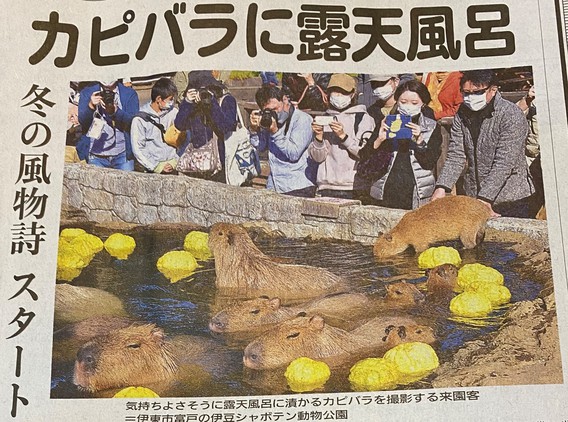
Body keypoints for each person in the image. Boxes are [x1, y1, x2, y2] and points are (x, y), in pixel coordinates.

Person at [432, 69, 535, 218]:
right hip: (474, 193)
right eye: (466, 93)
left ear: (493, 90)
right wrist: (442, 187)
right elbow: (456, 155)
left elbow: (505, 163)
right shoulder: (462, 113)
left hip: (510, 196)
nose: (470, 97)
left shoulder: (510, 115)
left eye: (476, 92)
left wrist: (485, 198)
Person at [361, 79, 442, 209]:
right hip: (385, 188)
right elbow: (364, 155)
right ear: (397, 101)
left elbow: (429, 162)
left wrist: (420, 140)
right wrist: (379, 139)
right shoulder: (386, 122)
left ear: (423, 104)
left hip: (415, 191)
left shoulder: (431, 126)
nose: (408, 106)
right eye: (403, 102)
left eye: (414, 102)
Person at [309, 74, 375, 199]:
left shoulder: (363, 118)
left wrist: (343, 136)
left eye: (343, 92)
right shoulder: (324, 117)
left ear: (352, 94)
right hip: (326, 185)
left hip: (353, 186)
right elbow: (317, 158)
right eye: (335, 92)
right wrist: (318, 137)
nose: (338, 96)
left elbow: (364, 153)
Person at [249, 85, 318, 197]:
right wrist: (254, 130)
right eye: (268, 111)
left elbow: (293, 154)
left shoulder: (302, 120)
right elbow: (260, 147)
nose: (274, 114)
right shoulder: (270, 119)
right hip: (275, 185)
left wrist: (275, 132)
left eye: (275, 109)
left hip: (298, 187)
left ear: (285, 100)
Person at [173, 70, 238, 182]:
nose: (202, 93)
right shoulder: (193, 104)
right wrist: (187, 102)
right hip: (198, 164)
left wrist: (211, 103)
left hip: (223, 163)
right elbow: (179, 125)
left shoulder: (226, 100)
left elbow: (226, 127)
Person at [77, 78, 139, 170]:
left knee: (126, 184)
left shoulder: (129, 94)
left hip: (122, 154)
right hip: (96, 155)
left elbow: (133, 122)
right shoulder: (87, 92)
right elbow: (83, 121)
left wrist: (116, 112)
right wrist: (91, 106)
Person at [130, 78, 180, 174]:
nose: (172, 102)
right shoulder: (139, 119)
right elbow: (138, 148)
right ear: (158, 99)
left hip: (173, 166)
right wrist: (156, 166)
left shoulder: (174, 113)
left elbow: (183, 138)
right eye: (170, 99)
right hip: (152, 170)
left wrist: (175, 161)